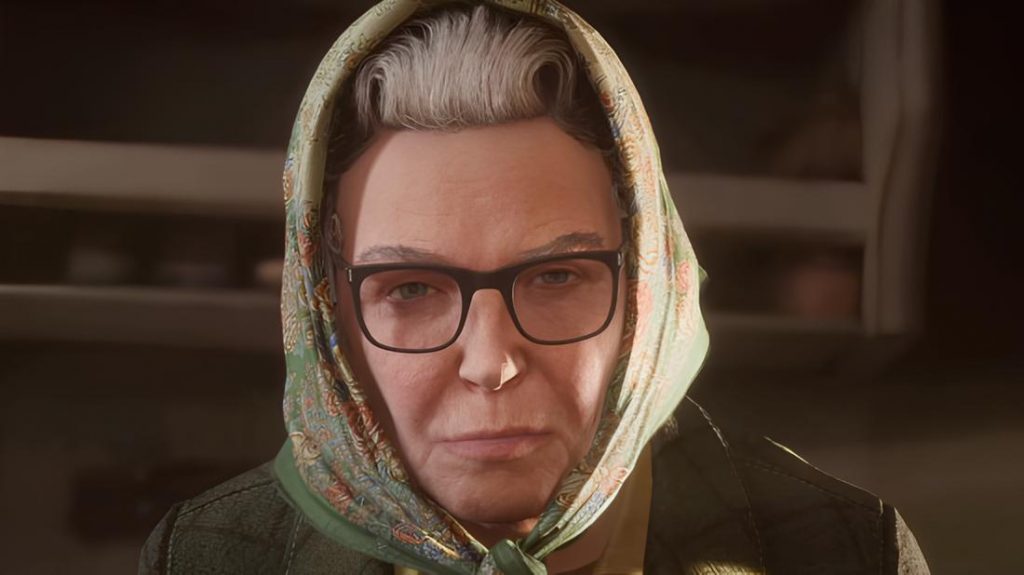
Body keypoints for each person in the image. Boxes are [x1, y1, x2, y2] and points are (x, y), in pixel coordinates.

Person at [140, 1, 930, 573]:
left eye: (556, 276)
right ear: (328, 316)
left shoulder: (846, 549)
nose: (491, 362)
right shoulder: (205, 557)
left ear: (646, 294)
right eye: (410, 290)